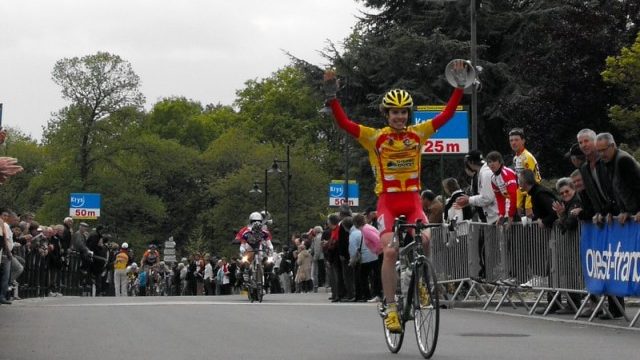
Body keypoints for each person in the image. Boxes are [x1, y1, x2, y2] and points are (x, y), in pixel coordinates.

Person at [324, 60, 470, 333]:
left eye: (403, 112)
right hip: (388, 203)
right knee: (390, 252)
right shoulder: (374, 137)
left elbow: (448, 115)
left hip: (413, 200)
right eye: (394, 112)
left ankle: (423, 284)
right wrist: (332, 98)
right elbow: (344, 123)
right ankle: (391, 308)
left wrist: (459, 87)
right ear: (386, 114)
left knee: (426, 239)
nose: (399, 117)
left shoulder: (419, 133)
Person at [509, 128, 541, 218]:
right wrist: (518, 204)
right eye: (511, 140)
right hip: (525, 196)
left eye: (516, 140)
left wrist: (528, 205)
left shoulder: (527, 157)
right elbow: (520, 183)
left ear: (523, 141)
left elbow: (532, 183)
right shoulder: (516, 158)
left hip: (534, 196)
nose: (513, 143)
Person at [486, 151, 518, 227]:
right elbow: (500, 198)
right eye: (489, 162)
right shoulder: (493, 179)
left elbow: (514, 195)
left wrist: (510, 216)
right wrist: (501, 214)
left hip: (520, 207)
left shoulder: (507, 173)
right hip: (512, 208)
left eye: (494, 161)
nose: (492, 164)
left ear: (500, 162)